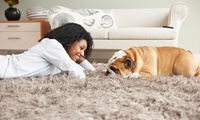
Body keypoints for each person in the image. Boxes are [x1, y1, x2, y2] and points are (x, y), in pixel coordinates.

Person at [0, 23, 95, 79]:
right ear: (70, 41)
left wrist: (81, 60)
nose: (82, 53)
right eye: (81, 48)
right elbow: (75, 72)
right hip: (4, 66)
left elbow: (91, 72)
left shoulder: (60, 59)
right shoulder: (51, 44)